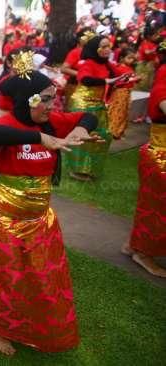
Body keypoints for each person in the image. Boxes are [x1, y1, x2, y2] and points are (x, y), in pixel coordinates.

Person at [0, 67, 102, 356]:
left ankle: (30, 327)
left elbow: (90, 114)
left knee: (43, 277)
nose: (52, 106)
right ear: (26, 100)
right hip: (6, 219)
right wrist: (39, 139)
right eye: (45, 100)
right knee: (11, 276)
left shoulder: (52, 122)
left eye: (53, 99)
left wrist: (81, 129)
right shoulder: (8, 124)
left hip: (40, 219)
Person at [122, 41, 166, 277]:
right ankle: (143, 252)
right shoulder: (162, 84)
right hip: (160, 154)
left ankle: (134, 245)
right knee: (157, 207)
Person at [65, 36, 123, 181]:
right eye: (103, 47)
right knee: (83, 136)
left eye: (108, 46)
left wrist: (125, 79)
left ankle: (89, 169)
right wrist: (106, 81)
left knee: (102, 136)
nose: (107, 49)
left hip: (98, 104)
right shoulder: (88, 63)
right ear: (94, 49)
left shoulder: (107, 64)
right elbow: (84, 79)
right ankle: (77, 170)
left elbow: (119, 75)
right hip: (83, 104)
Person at [108, 48, 141, 139]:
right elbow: (118, 82)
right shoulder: (118, 68)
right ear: (122, 58)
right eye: (129, 58)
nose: (131, 60)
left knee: (124, 112)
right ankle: (114, 131)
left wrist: (136, 79)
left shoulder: (129, 68)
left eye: (133, 59)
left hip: (127, 92)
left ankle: (119, 130)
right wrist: (133, 79)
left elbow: (131, 79)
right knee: (117, 111)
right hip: (120, 92)